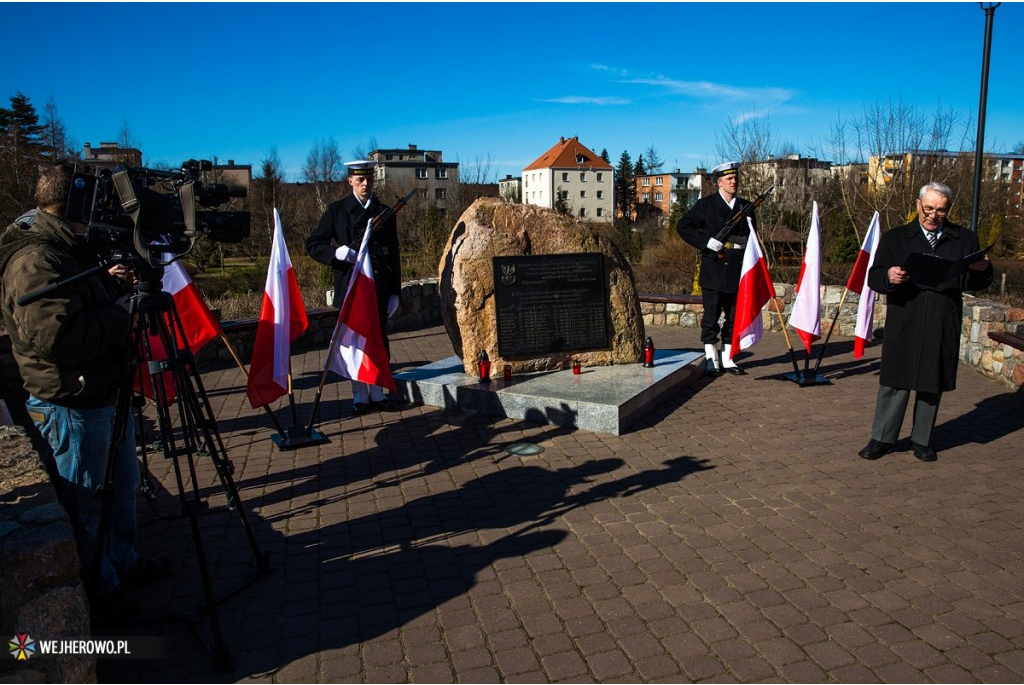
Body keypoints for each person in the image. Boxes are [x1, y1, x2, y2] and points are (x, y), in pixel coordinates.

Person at [0, 162, 167, 611]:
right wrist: (122, 309)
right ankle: (101, 587)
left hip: (99, 390)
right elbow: (58, 338)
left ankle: (121, 562)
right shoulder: (36, 258)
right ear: (76, 204)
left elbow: (74, 302)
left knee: (121, 486)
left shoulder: (65, 247)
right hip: (72, 399)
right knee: (89, 499)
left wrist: (106, 284)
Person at [859, 181, 993, 463]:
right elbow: (874, 277)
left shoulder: (964, 239)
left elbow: (976, 281)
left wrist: (983, 269)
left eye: (941, 210)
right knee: (896, 380)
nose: (933, 215)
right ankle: (882, 438)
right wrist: (889, 277)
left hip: (942, 319)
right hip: (905, 316)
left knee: (931, 381)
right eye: (929, 208)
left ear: (949, 210)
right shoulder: (896, 238)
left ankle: (922, 440)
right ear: (918, 206)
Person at [306, 159, 402, 415]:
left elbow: (393, 254)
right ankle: (359, 395)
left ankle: (377, 392)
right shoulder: (337, 211)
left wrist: (395, 292)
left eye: (369, 179)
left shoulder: (384, 212)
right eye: (360, 180)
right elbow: (313, 244)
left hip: (378, 287)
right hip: (351, 288)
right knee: (354, 342)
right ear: (350, 181)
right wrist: (336, 252)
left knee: (378, 339)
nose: (365, 184)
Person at [677, 161, 756, 375]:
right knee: (711, 318)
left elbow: (752, 240)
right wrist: (707, 242)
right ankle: (712, 358)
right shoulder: (707, 205)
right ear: (719, 182)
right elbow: (683, 226)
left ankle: (728, 358)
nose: (734, 181)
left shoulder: (746, 207)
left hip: (738, 269)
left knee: (733, 317)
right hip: (714, 268)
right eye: (729, 179)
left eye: (735, 178)